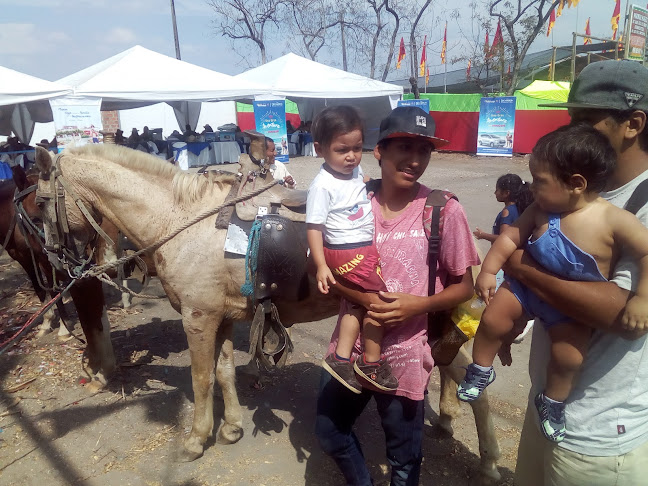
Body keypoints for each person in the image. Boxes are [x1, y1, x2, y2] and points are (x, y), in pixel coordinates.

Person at [315, 106, 480, 485]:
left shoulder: (443, 210)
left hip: (406, 358)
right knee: (329, 433)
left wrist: (418, 305)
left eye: (424, 150)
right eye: (404, 146)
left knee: (404, 459)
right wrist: (362, 298)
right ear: (379, 151)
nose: (415, 159)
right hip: (349, 351)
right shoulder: (351, 199)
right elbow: (320, 264)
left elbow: (464, 286)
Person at [458, 123, 648, 443]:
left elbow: (646, 254)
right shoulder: (540, 210)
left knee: (569, 358)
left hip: (571, 307)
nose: (531, 188)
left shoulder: (615, 220)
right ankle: (480, 369)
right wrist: (489, 272)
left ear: (576, 183)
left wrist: (642, 297)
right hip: (525, 290)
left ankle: (553, 402)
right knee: (492, 319)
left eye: (540, 181)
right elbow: (509, 240)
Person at [507, 60, 648, 485]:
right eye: (571, 118)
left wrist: (522, 269)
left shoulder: (639, 205)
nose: (574, 130)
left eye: (587, 119)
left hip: (598, 431)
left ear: (634, 123)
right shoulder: (568, 190)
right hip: (547, 403)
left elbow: (620, 316)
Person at [307, 105, 398, 393]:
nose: (351, 156)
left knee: (356, 303)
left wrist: (368, 184)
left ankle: (341, 357)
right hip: (348, 252)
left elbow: (358, 188)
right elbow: (314, 227)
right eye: (342, 150)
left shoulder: (354, 171)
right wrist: (321, 265)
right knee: (378, 303)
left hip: (359, 248)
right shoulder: (322, 186)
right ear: (320, 149)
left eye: (357, 148)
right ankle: (371, 360)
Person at [473, 173, 533, 245]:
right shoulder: (519, 208)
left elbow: (503, 239)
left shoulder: (507, 212)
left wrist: (483, 235)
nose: (495, 193)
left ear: (506, 193)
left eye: (497, 190)